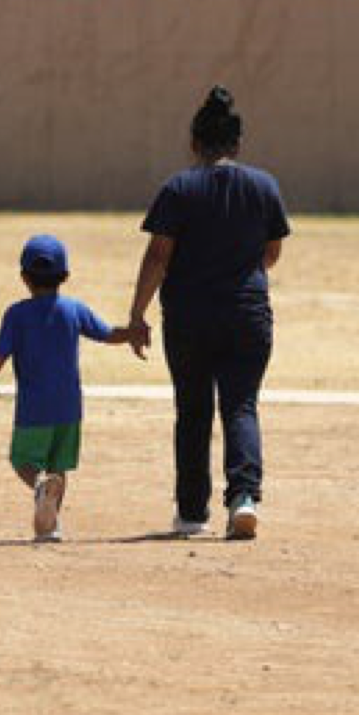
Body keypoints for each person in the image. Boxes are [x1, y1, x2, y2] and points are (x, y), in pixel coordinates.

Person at [128, 86, 290, 541]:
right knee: (241, 405)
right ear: (237, 143)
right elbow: (270, 253)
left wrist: (138, 313)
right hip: (247, 314)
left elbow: (158, 256)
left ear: (195, 143)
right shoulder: (264, 186)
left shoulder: (178, 188)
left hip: (188, 317)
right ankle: (243, 497)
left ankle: (192, 511)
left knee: (193, 409)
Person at [0, 235, 138, 543]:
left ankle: (40, 488)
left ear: (24, 278)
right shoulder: (73, 309)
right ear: (66, 276)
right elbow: (107, 334)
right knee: (59, 468)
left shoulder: (16, 314)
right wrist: (133, 333)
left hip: (34, 407)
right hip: (69, 406)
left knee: (24, 462)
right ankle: (51, 525)